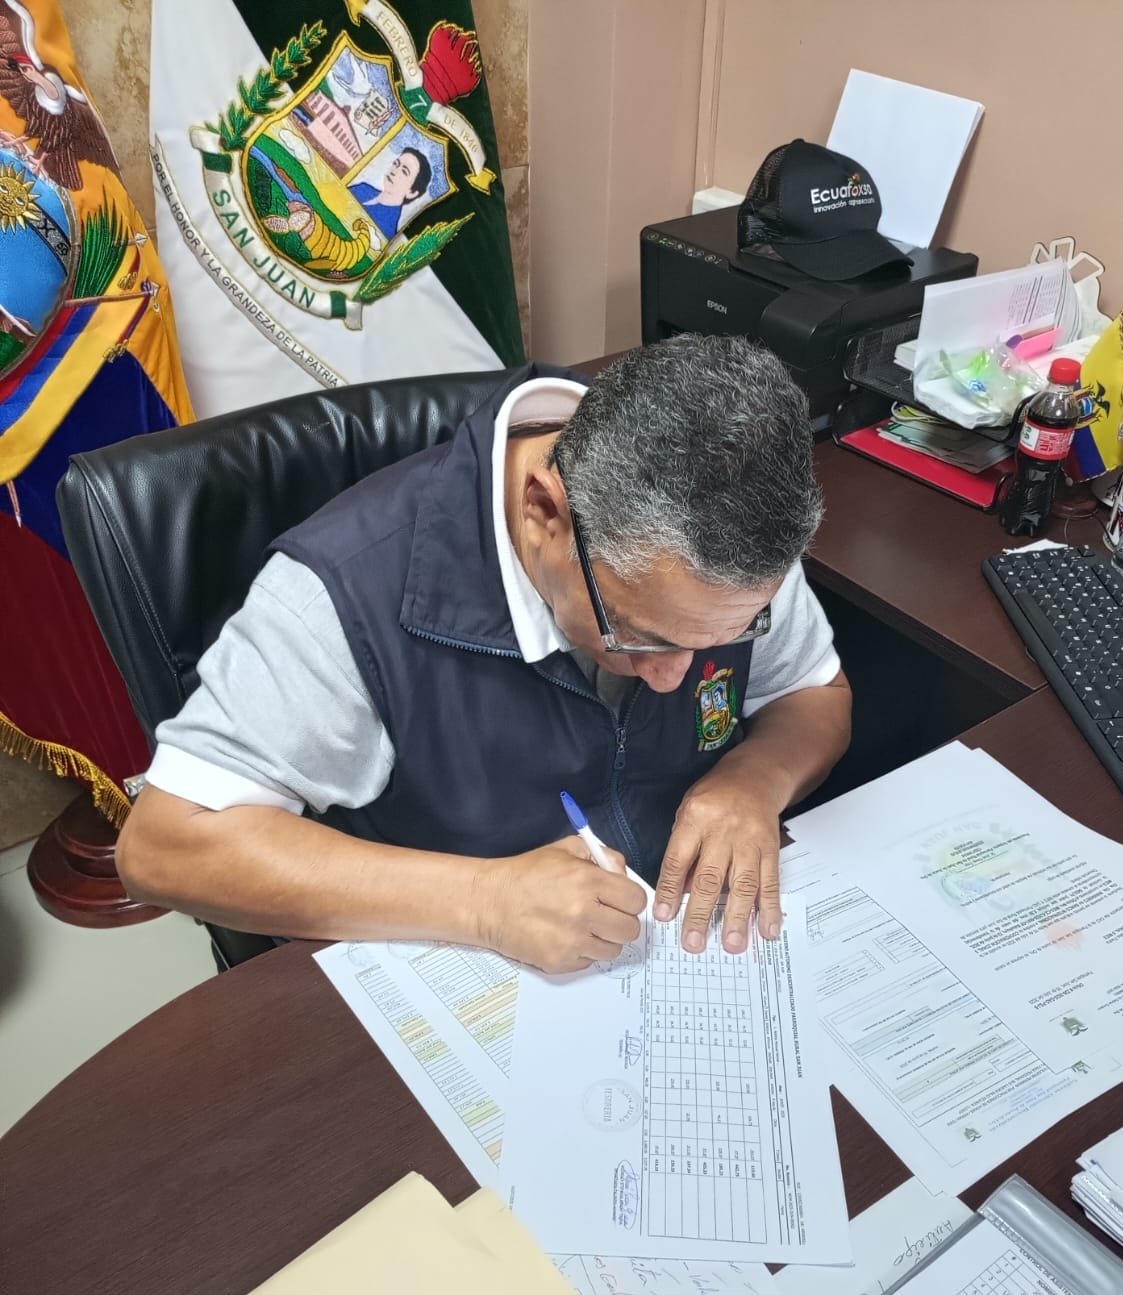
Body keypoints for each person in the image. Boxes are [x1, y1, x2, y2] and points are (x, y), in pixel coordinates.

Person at [117, 336, 852, 974]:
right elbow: (163, 845)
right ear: (545, 510)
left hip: (673, 943)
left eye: (724, 637)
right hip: (457, 981)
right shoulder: (343, 593)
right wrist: (484, 901)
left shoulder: (728, 530)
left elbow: (815, 692)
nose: (672, 677)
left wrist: (756, 778)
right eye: (641, 635)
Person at [349, 146, 432, 236]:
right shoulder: (363, 188)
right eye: (396, 164)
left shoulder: (386, 227)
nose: (394, 171)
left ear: (412, 193)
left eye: (404, 172)